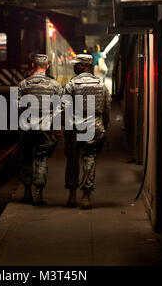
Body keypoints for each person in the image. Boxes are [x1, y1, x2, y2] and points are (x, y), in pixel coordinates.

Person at [63, 54, 111, 209]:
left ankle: (72, 197)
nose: (74, 66)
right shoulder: (100, 84)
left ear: (85, 66)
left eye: (77, 64)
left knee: (72, 160)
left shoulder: (71, 84)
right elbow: (106, 108)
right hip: (94, 125)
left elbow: (64, 108)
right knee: (89, 158)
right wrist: (105, 125)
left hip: (75, 127)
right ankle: (86, 197)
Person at [18, 54, 62, 206]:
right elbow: (59, 108)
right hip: (45, 128)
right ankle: (39, 194)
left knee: (26, 158)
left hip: (27, 127)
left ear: (32, 65)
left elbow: (17, 107)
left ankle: (27, 192)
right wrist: (56, 129)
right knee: (41, 158)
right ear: (47, 66)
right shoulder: (54, 85)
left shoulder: (23, 84)